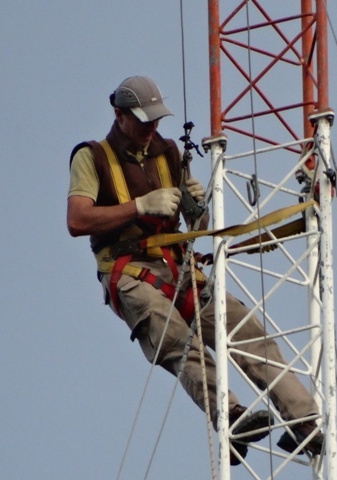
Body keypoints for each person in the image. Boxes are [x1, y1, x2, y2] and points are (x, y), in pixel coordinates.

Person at [67, 75, 323, 463]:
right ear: (119, 116)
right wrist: (139, 206)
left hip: (179, 266)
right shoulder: (94, 157)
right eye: (142, 120)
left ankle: (304, 421)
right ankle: (231, 417)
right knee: (176, 340)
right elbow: (77, 220)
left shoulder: (168, 152)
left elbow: (194, 231)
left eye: (155, 119)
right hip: (130, 270)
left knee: (246, 331)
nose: (152, 127)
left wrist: (195, 211)